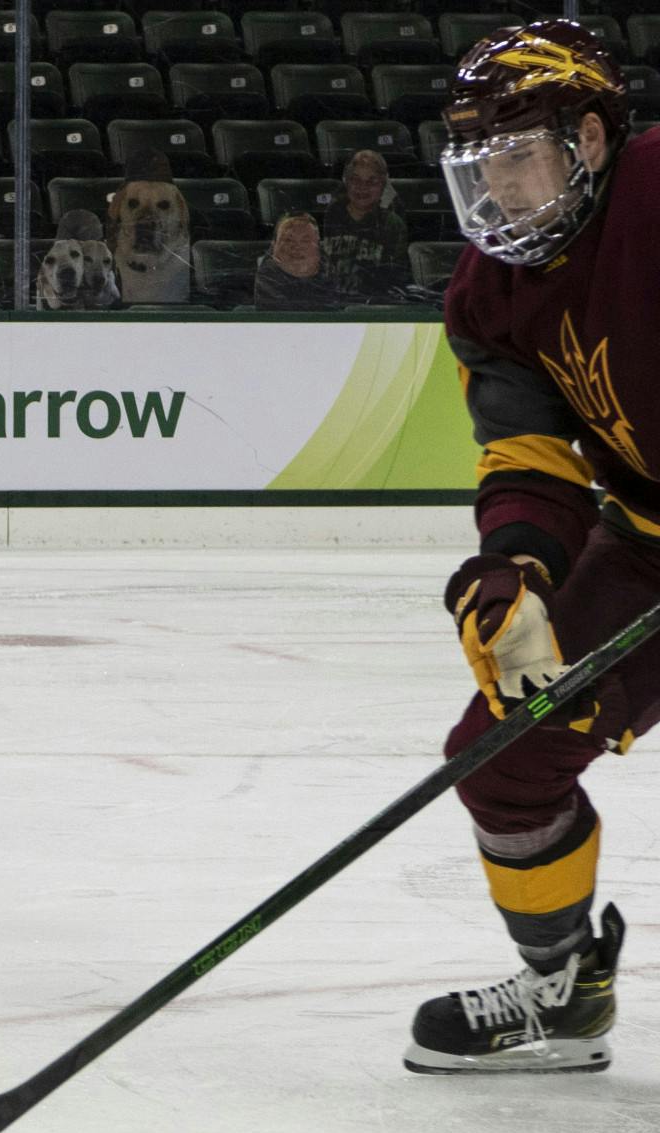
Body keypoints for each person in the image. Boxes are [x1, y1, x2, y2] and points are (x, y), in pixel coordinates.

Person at [405, 18, 659, 1074]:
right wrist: (512, 571)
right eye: (481, 170)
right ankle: (560, 988)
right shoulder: (488, 293)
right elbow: (529, 458)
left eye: (515, 159)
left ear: (588, 142)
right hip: (647, 540)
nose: (496, 193)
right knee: (503, 757)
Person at [320, 149, 411, 302]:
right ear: (346, 181)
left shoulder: (393, 224)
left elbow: (397, 276)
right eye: (355, 180)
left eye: (372, 181)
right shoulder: (329, 215)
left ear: (383, 184)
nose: (363, 187)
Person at [252, 212, 340, 310]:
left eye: (305, 241)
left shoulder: (335, 274)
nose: (297, 247)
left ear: (318, 246)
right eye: (288, 240)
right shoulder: (267, 279)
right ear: (274, 246)